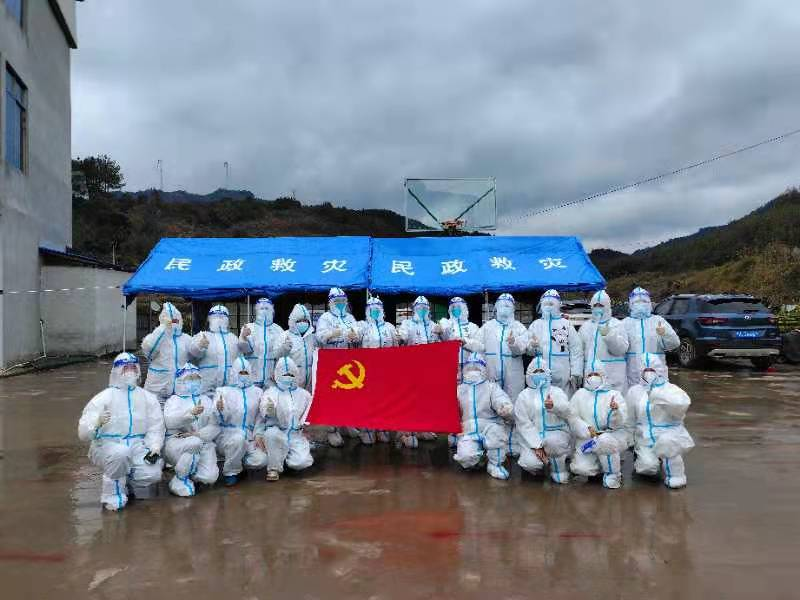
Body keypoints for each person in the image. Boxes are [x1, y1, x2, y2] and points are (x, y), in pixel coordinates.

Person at [77, 353, 165, 511]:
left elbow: (155, 426)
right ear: (117, 371)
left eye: (133, 368)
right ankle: (112, 495)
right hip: (107, 445)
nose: (130, 371)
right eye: (126, 368)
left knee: (153, 473)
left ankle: (125, 480)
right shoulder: (103, 398)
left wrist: (154, 446)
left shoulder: (148, 398)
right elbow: (83, 433)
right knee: (120, 454)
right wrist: (96, 423)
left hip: (137, 446)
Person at [626, 353, 694, 488]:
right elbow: (630, 418)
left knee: (667, 443)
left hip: (668, 433)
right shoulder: (635, 391)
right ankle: (646, 457)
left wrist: (657, 395)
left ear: (659, 370)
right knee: (647, 468)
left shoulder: (670, 389)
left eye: (652, 370)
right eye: (645, 370)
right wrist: (630, 439)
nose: (648, 373)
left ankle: (676, 475)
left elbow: (682, 405)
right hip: (645, 436)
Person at [476, 293, 529, 457]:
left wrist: (514, 344)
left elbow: (523, 348)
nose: (504, 308)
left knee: (512, 405)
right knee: (492, 406)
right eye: (501, 305)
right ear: (496, 308)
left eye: (508, 305)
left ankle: (513, 443)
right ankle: (494, 443)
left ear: (513, 308)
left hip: (513, 373)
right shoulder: (487, 327)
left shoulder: (519, 327)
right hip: (492, 371)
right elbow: (478, 347)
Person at [515, 357, 578, 484]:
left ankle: (558, 469)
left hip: (555, 435)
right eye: (535, 371)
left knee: (553, 444)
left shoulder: (556, 391)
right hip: (533, 439)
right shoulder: (523, 396)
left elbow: (568, 411)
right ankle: (540, 467)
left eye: (542, 371)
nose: (539, 374)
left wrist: (554, 406)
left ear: (548, 373)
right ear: (529, 374)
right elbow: (523, 423)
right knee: (530, 463)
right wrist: (536, 445)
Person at [453, 353, 515, 480]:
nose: (473, 370)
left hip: (489, 426)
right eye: (470, 367)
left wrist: (504, 407)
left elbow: (500, 399)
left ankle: (495, 465)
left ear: (484, 369)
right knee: (465, 457)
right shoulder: (459, 390)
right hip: (468, 429)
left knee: (496, 435)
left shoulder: (491, 387)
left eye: (477, 367)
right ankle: (480, 459)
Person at [162, 363, 220, 497]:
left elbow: (215, 426)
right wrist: (190, 414)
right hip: (178, 442)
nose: (193, 381)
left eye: (196, 378)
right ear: (181, 381)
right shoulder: (174, 400)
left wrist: (198, 434)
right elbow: (169, 422)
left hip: (203, 441)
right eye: (190, 378)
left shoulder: (206, 400)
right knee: (193, 443)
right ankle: (180, 479)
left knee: (209, 477)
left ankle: (192, 472)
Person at [568, 363, 627, 489]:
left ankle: (613, 474)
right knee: (581, 468)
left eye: (596, 374)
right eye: (590, 374)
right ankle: (601, 463)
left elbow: (620, 423)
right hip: (588, 438)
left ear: (603, 376)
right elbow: (572, 417)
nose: (593, 377)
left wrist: (615, 411)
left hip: (611, 437)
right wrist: (586, 429)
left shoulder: (614, 394)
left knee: (605, 441)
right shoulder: (579, 394)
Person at [315, 288, 361, 447]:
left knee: (348, 395)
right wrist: (332, 334)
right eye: (337, 301)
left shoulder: (350, 317)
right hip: (331, 361)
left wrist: (355, 336)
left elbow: (357, 334)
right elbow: (319, 337)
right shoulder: (325, 318)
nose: (340, 304)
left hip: (348, 360)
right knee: (333, 397)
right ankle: (332, 430)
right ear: (331, 302)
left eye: (343, 301)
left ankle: (347, 423)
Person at [256, 357, 314, 481]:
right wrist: (269, 410)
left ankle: (287, 458)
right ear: (277, 374)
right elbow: (263, 411)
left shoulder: (304, 394)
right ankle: (274, 468)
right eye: (284, 374)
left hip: (296, 434)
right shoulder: (271, 392)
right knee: (271, 434)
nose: (288, 377)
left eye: (291, 374)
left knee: (302, 462)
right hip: (278, 431)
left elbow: (311, 413)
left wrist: (307, 427)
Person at [214, 356, 268, 486]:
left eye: (246, 372)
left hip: (249, 437)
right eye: (240, 372)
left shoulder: (257, 392)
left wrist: (258, 434)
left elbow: (260, 417)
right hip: (228, 437)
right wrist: (220, 409)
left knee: (261, 460)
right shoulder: (223, 391)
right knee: (238, 439)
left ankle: (237, 461)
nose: (243, 375)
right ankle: (231, 472)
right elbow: (218, 417)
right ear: (234, 372)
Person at [397, 295, 442, 447]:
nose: (422, 310)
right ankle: (406, 432)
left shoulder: (433, 325)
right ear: (414, 309)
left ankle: (423, 427)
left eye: (424, 308)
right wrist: (401, 336)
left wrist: (441, 333)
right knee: (410, 400)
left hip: (429, 369)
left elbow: (440, 345)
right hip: (412, 368)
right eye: (419, 308)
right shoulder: (407, 324)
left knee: (426, 399)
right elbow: (401, 337)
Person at [355, 296, 398, 444]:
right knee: (368, 400)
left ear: (382, 310)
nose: (375, 312)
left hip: (386, 370)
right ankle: (367, 429)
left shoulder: (389, 327)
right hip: (367, 370)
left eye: (377, 310)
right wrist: (351, 335)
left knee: (384, 399)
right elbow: (354, 337)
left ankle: (382, 428)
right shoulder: (362, 326)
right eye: (372, 310)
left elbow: (397, 347)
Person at [528, 289, 584, 396]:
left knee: (563, 400)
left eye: (551, 304)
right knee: (542, 399)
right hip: (540, 371)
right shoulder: (535, 325)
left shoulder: (566, 324)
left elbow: (576, 350)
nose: (548, 307)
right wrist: (533, 346)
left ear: (558, 305)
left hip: (562, 373)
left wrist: (576, 372)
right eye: (545, 304)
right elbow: (528, 351)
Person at [623, 287, 680, 389]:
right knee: (635, 396)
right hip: (632, 374)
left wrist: (665, 334)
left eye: (644, 301)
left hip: (656, 372)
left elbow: (674, 344)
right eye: (637, 302)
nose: (641, 304)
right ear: (631, 304)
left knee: (657, 397)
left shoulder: (658, 321)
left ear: (649, 303)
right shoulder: (625, 323)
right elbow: (619, 349)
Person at [141, 302, 193, 403]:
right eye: (170, 320)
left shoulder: (186, 339)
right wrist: (163, 329)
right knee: (154, 412)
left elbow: (195, 357)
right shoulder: (156, 336)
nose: (172, 322)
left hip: (180, 390)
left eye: (175, 320)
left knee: (176, 412)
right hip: (156, 389)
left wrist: (199, 346)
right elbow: (149, 350)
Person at [190, 305, 248, 394]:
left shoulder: (233, 338)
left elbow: (240, 360)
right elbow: (193, 354)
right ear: (209, 319)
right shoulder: (203, 335)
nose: (219, 320)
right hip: (207, 387)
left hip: (229, 387)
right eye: (215, 317)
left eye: (222, 317)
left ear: (227, 320)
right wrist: (200, 346)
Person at [580, 290, 630, 393]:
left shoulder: (617, 325)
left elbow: (621, 350)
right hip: (591, 377)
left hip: (613, 376)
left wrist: (609, 335)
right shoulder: (585, 327)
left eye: (601, 305)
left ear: (607, 306)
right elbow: (579, 352)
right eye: (595, 305)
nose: (598, 308)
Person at [240, 297, 291, 389]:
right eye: (261, 308)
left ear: (272, 311)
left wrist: (285, 347)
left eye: (267, 308)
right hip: (252, 378)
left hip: (271, 379)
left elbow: (281, 356)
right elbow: (244, 351)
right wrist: (244, 337)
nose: (264, 311)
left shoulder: (278, 330)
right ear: (257, 310)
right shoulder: (248, 327)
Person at [439, 296, 483, 382]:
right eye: (453, 307)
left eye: (458, 307)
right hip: (451, 366)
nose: (456, 309)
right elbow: (442, 340)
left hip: (469, 365)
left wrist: (465, 342)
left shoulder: (472, 327)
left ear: (464, 308)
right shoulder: (446, 324)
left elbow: (479, 347)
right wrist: (441, 331)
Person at [285, 303, 317, 392]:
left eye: (305, 320)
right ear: (293, 321)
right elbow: (277, 357)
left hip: (310, 381)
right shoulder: (285, 336)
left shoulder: (313, 338)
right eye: (299, 320)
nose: (303, 323)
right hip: (292, 379)